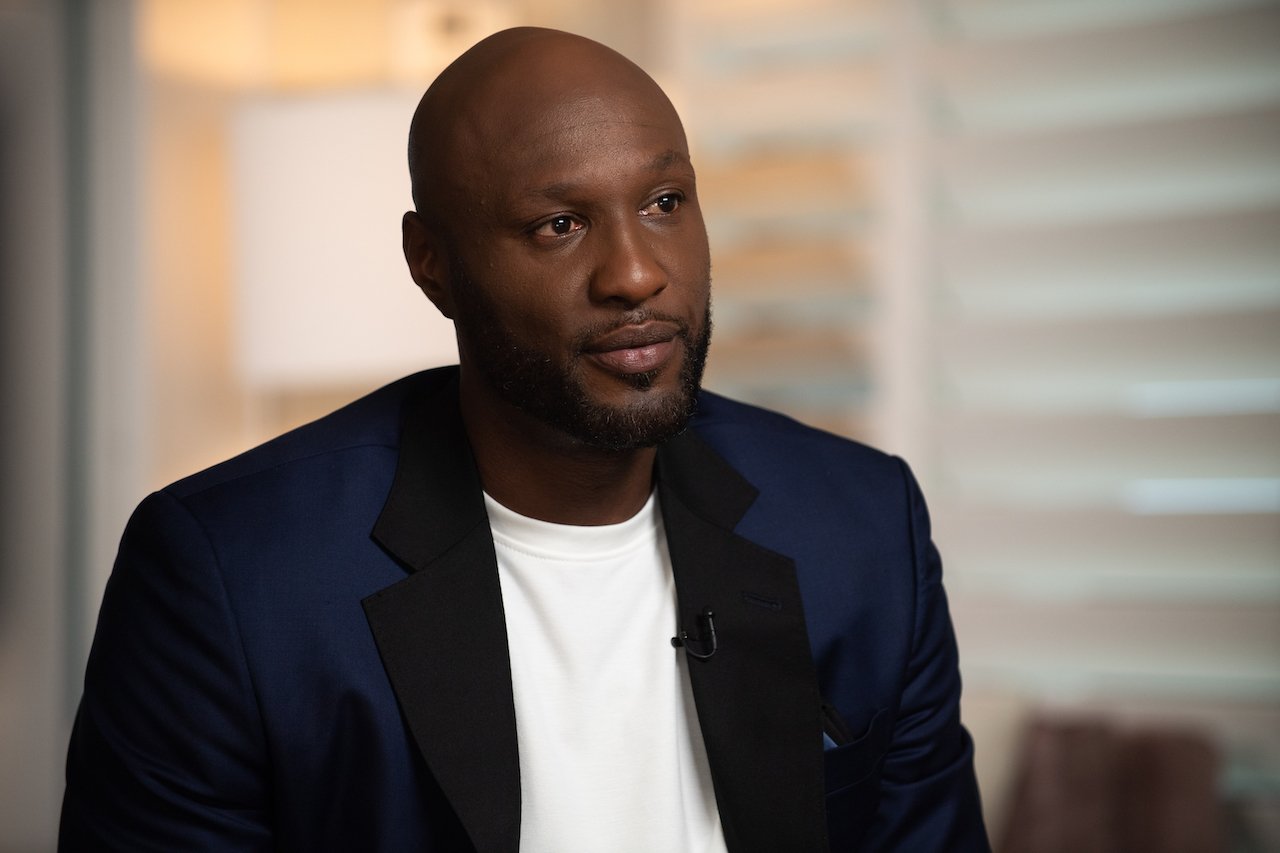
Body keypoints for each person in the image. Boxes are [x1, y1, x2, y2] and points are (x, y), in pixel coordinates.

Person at [59, 27, 988, 853]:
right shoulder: (230, 574)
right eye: (561, 224)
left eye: (665, 201)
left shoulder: (864, 525)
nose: (636, 273)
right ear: (434, 266)